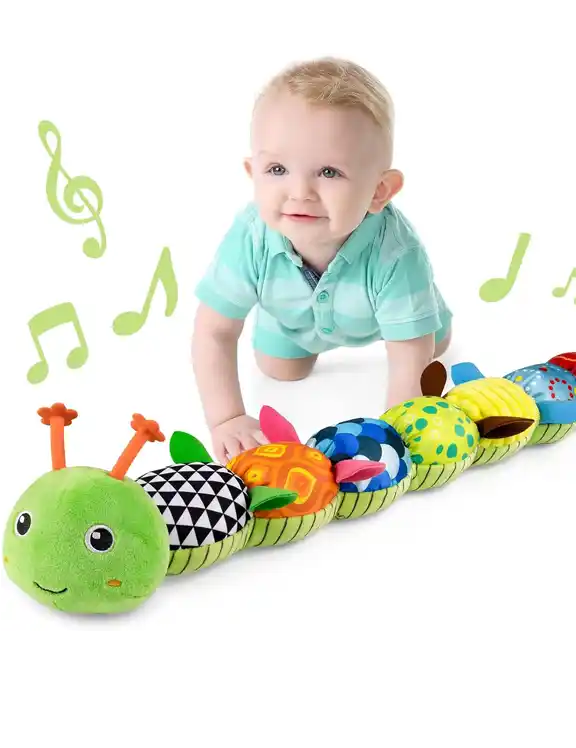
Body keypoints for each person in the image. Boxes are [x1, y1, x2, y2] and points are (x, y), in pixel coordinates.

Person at [192, 57, 453, 464]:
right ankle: (291, 331)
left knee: (431, 345)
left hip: (388, 316)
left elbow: (407, 356)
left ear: (379, 191)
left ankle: (429, 314)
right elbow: (213, 332)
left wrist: (399, 434)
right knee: (280, 370)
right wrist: (226, 419)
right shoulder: (250, 237)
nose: (300, 191)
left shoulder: (396, 253)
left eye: (329, 172)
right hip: (292, 320)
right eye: (276, 168)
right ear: (252, 172)